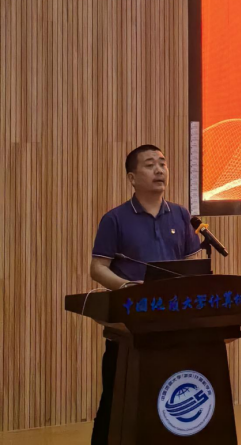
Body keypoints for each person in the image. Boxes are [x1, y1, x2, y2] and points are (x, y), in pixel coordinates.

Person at [89, 144, 201, 445]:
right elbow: (97, 268)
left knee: (169, 401)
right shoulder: (115, 219)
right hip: (129, 328)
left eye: (162, 163)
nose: (159, 170)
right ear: (132, 178)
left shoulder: (181, 216)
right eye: (150, 165)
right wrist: (127, 288)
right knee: (116, 403)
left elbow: (192, 264)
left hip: (173, 326)